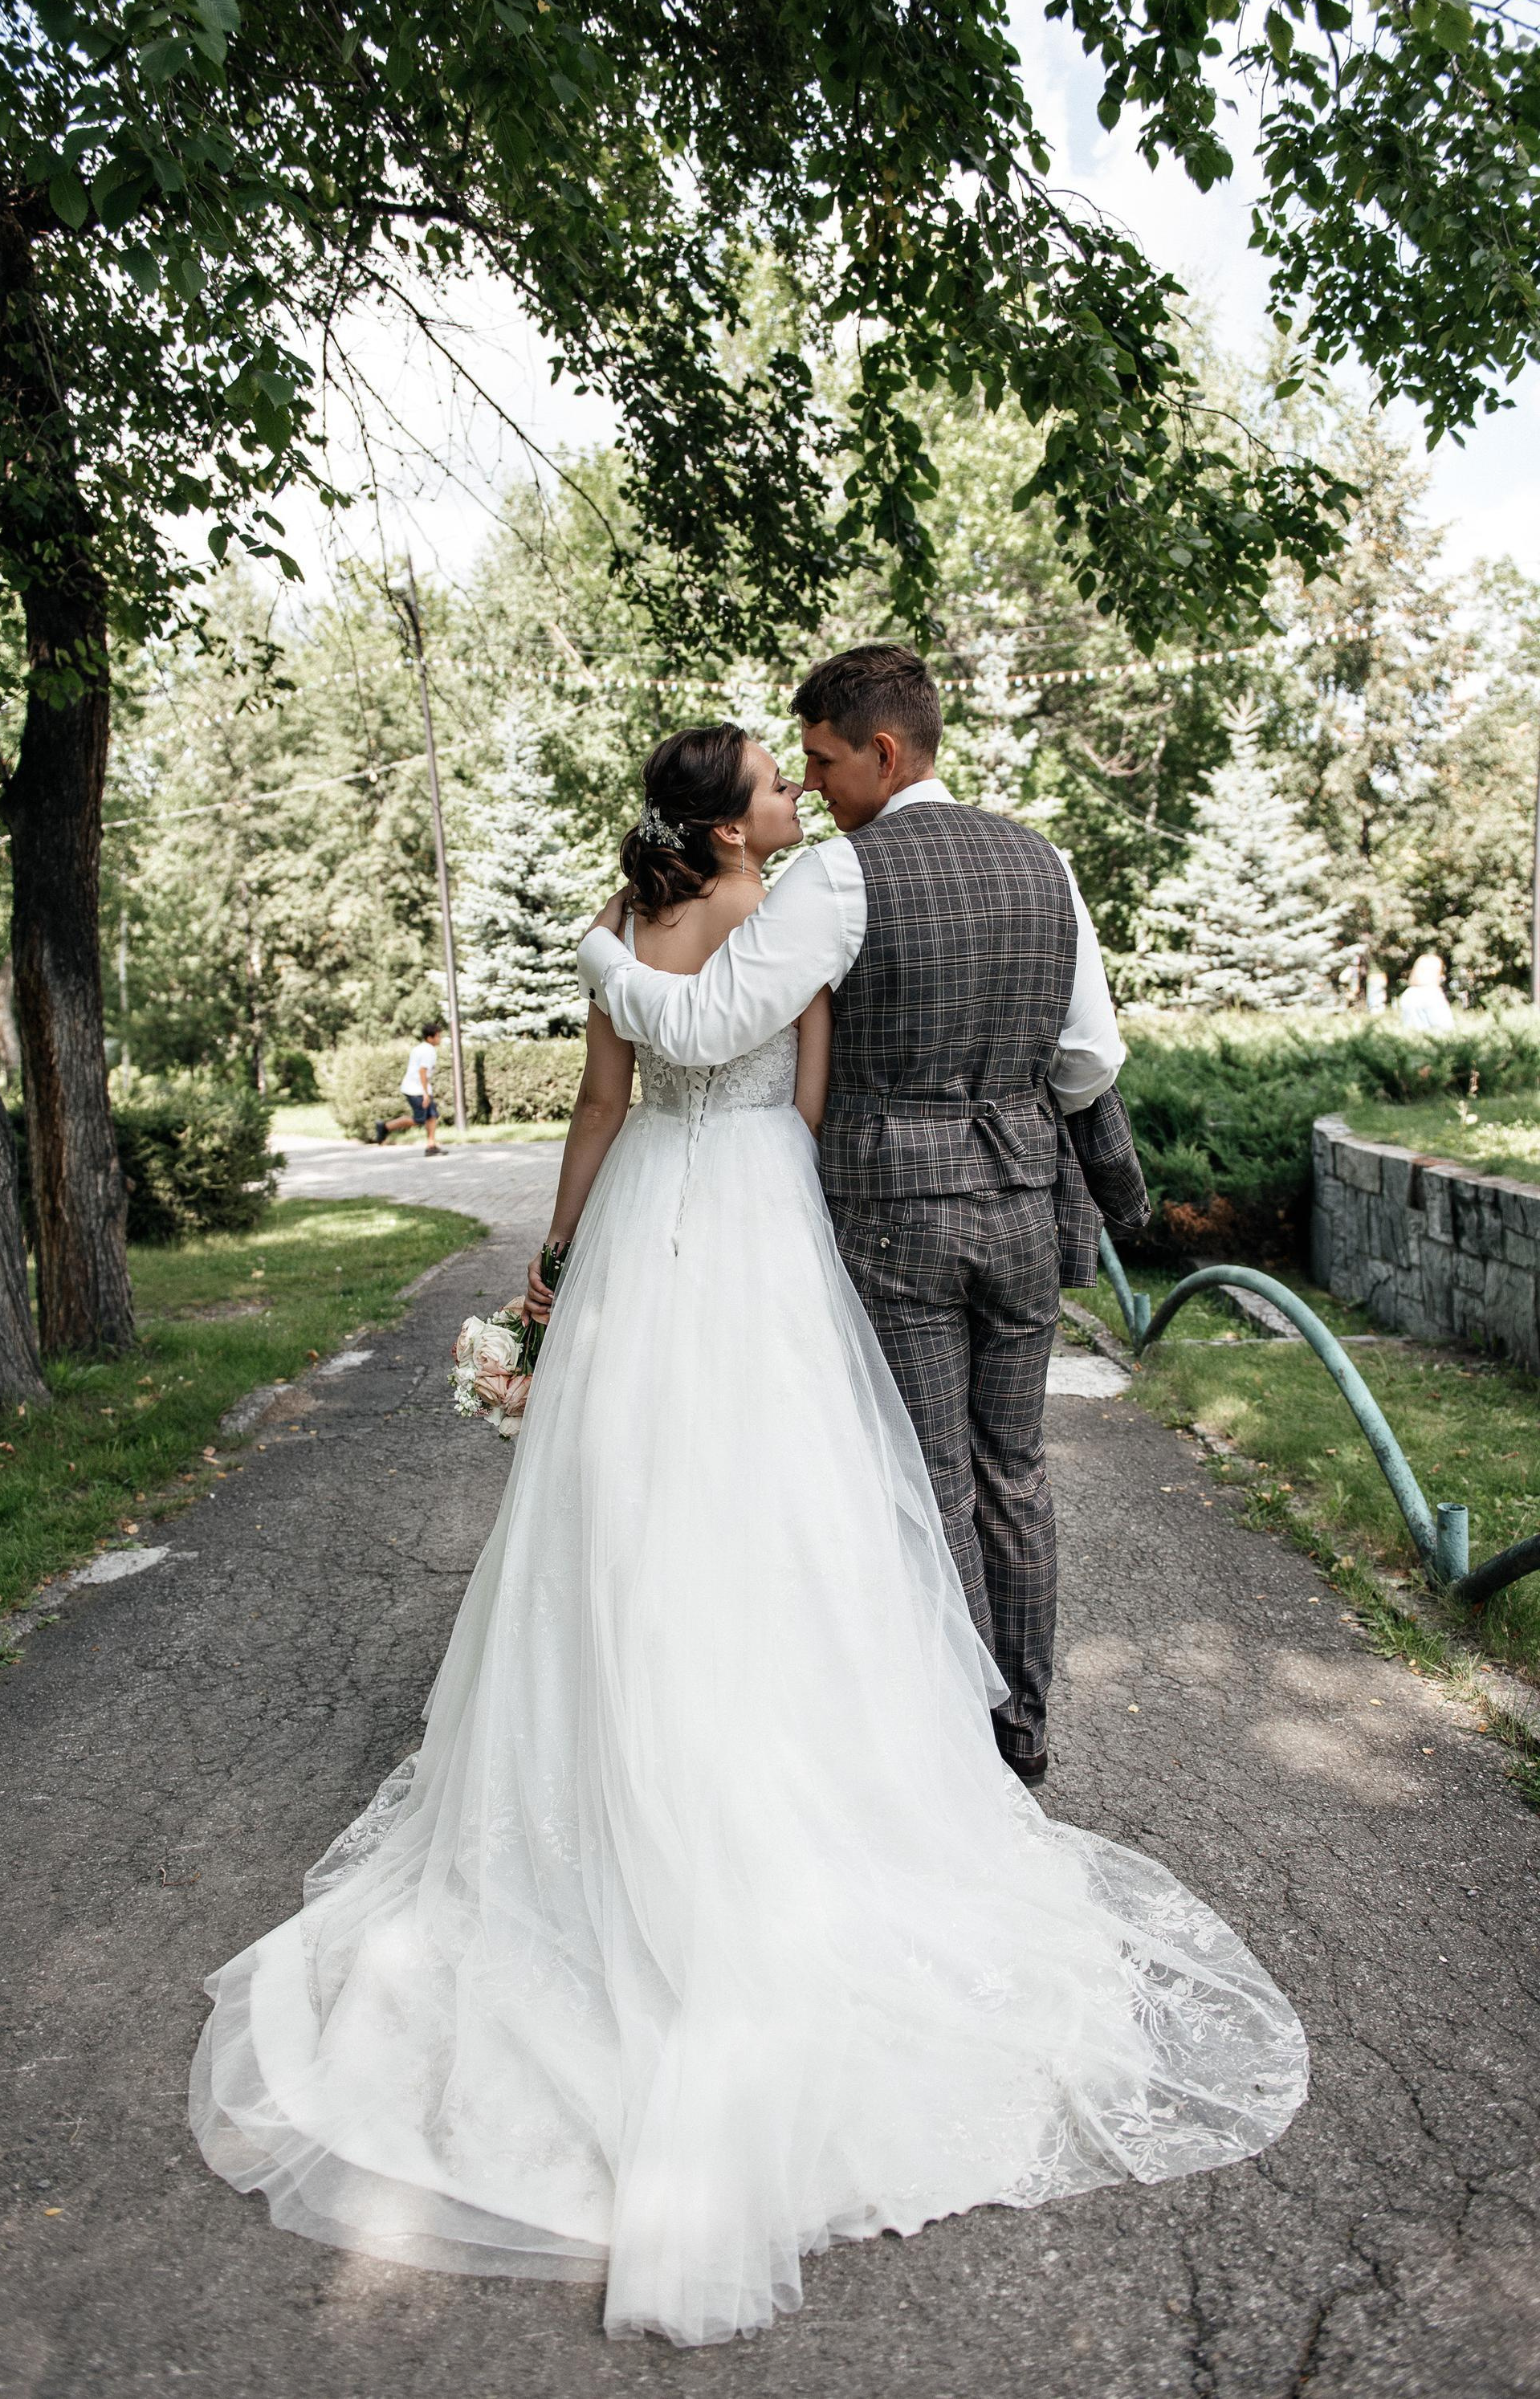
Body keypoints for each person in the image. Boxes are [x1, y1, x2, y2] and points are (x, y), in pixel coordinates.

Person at [189, 718, 1306, 2348]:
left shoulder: (630, 925)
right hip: (769, 1217)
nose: (794, 794)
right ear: (727, 826)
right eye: (772, 786)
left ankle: (622, 1763)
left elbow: (599, 1098)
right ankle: (883, 1752)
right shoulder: (797, 914)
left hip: (648, 1220)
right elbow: (809, 1084)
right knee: (821, 1507)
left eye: (805, 771)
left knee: (626, 1507)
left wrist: (560, 1254)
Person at [577, 644, 1147, 1784]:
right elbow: (1088, 1061)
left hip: (900, 1219)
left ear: (885, 754)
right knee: (1017, 1471)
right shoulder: (1048, 864)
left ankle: (953, 1741)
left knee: (929, 1471)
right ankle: (1023, 1727)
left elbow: (699, 1027)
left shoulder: (844, 880)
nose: (816, 785)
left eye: (826, 762)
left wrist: (601, 951)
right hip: (1025, 1210)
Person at [376, 1020, 445, 1154]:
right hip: (417, 1090)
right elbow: (422, 1072)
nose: (439, 1039)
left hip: (417, 1088)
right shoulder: (428, 1051)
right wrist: (425, 1093)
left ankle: (431, 1146)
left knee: (432, 1116)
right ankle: (385, 1127)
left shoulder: (419, 1048)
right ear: (430, 1038)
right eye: (438, 1036)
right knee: (419, 1119)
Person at [1398, 953, 1456, 1034]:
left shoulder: (1408, 993)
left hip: (1410, 1041)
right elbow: (1446, 1026)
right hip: (1431, 1042)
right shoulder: (1433, 995)